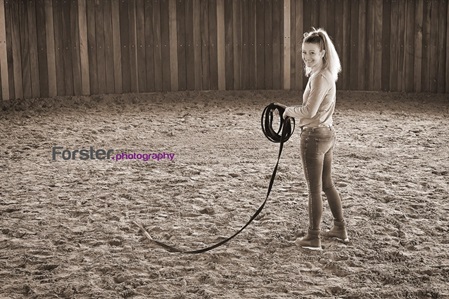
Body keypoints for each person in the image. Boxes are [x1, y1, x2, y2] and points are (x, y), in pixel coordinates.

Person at [279, 28, 348, 250]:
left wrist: (288, 111)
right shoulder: (326, 75)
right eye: (304, 53)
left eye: (312, 53)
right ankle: (339, 227)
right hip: (327, 134)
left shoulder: (319, 78)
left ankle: (314, 237)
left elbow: (309, 111)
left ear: (323, 53)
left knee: (315, 188)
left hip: (314, 136)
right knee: (327, 184)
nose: (307, 58)